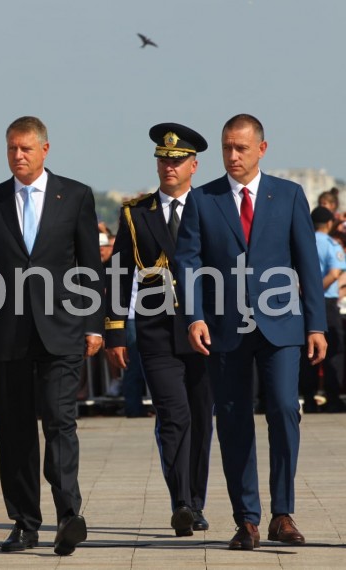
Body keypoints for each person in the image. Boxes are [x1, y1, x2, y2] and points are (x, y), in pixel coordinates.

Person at [0, 116, 105, 557]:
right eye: (11, 148)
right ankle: (25, 523)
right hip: (7, 335)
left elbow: (90, 266)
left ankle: (68, 516)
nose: (18, 156)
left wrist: (95, 324)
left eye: (26, 148)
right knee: (13, 432)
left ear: (45, 149)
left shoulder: (75, 196)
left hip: (61, 331)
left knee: (60, 422)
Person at [175, 113, 327, 551]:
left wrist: (316, 324)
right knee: (234, 418)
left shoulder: (289, 195)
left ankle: (283, 513)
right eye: (227, 147)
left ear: (262, 148)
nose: (233, 155)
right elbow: (188, 263)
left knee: (284, 409)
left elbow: (307, 264)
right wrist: (195, 317)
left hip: (282, 325)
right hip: (224, 328)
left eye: (241, 148)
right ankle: (247, 519)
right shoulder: (202, 200)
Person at [105, 123, 214, 537]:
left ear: (193, 166)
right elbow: (119, 273)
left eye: (178, 160)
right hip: (156, 329)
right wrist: (116, 332)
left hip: (204, 329)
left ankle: (196, 501)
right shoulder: (137, 213)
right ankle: (181, 502)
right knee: (173, 415)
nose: (169, 166)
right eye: (163, 159)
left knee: (201, 418)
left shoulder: (210, 208)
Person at [299, 207, 346, 413]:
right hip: (325, 302)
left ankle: (309, 399)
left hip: (302, 301)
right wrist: (316, 291)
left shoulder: (304, 241)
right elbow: (335, 273)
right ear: (329, 223)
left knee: (307, 351)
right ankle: (332, 398)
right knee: (332, 350)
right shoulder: (330, 243)